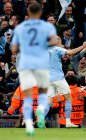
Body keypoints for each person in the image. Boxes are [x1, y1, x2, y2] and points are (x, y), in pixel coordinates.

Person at [11, 3, 57, 135]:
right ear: (40, 13)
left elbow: (14, 49)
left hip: (25, 64)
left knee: (28, 96)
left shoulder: (21, 27)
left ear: (28, 12)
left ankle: (29, 125)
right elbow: (54, 41)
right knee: (43, 93)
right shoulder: (47, 26)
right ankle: (41, 110)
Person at [47, 36, 86, 128]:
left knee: (49, 101)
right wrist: (83, 46)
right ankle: (68, 121)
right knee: (68, 98)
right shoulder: (56, 49)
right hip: (58, 78)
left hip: (48, 79)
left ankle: (39, 116)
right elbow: (71, 52)